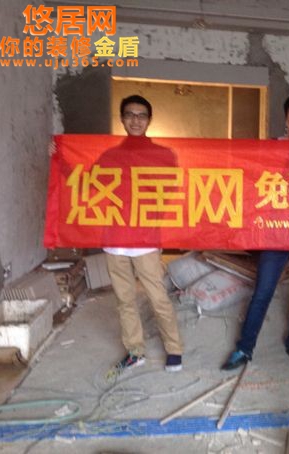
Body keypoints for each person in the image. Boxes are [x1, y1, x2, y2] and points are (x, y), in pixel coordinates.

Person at [222, 89, 289, 370]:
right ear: (286, 119)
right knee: (263, 290)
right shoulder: (269, 149)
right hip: (275, 232)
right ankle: (244, 347)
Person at [99, 95, 184, 373]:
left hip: (146, 238)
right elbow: (87, 184)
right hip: (114, 239)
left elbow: (171, 191)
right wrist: (60, 156)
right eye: (130, 114)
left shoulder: (163, 155)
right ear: (122, 119)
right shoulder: (109, 156)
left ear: (149, 120)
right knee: (124, 300)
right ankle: (135, 351)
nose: (135, 120)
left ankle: (174, 349)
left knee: (158, 298)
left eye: (141, 115)